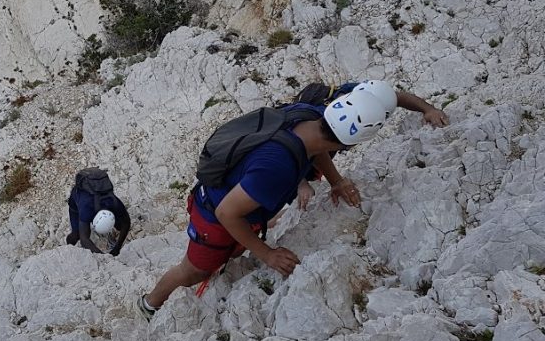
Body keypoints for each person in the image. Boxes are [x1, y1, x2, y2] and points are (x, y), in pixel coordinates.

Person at [138, 88, 389, 320]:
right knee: (194, 270)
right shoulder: (276, 167)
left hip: (237, 204)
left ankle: (227, 256)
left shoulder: (312, 116)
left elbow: (319, 146)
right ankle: (149, 304)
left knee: (232, 250)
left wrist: (336, 180)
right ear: (351, 143)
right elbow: (227, 213)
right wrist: (267, 254)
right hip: (214, 217)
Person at [293, 79, 448, 210]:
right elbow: (310, 146)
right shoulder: (332, 117)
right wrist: (306, 183)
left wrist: (428, 109)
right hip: (294, 157)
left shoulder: (363, 94)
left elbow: (399, 98)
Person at [65, 167, 131, 256]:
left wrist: (117, 248)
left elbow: (126, 223)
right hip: (77, 200)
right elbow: (84, 239)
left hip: (97, 199)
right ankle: (68, 249)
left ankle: (113, 239)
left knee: (120, 225)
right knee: (76, 234)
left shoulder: (114, 203)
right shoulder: (86, 208)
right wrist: (104, 257)